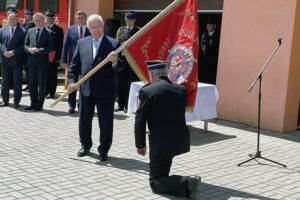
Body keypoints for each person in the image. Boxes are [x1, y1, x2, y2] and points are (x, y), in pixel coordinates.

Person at [134, 61, 201, 199]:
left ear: (152, 74)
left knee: (156, 183)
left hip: (160, 143)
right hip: (178, 139)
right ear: (165, 73)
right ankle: (187, 187)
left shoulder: (147, 91)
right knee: (162, 174)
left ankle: (189, 181)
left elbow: (140, 120)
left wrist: (140, 145)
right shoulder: (181, 90)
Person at [67, 14, 122, 161]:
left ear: (103, 27)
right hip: (86, 89)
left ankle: (104, 149)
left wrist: (115, 61)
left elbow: (122, 68)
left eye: (98, 27)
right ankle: (85, 145)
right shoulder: (82, 43)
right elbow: (74, 66)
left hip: (106, 90)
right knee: (84, 120)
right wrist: (71, 81)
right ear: (88, 28)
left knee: (105, 122)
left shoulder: (114, 44)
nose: (95, 30)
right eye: (92, 27)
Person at [24, 13, 54, 111]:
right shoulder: (30, 31)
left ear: (43, 20)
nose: (38, 22)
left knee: (41, 84)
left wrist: (39, 50)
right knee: (32, 84)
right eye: (36, 21)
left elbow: (51, 47)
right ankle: (33, 103)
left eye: (40, 20)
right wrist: (29, 49)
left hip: (42, 63)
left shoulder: (49, 32)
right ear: (33, 21)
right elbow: (25, 44)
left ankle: (39, 105)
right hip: (31, 62)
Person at [62, 11, 91, 113]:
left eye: (82, 18)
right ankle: (71, 105)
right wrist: (64, 60)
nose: (80, 20)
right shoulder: (71, 30)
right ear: (76, 19)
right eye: (78, 18)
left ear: (85, 18)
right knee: (72, 82)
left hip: (86, 61)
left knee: (84, 83)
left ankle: (81, 105)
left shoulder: (90, 29)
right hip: (73, 61)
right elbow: (66, 46)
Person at [115, 11, 140, 113]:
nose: (128, 22)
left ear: (134, 20)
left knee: (129, 84)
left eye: (130, 20)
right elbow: (117, 44)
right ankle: (120, 104)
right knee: (119, 83)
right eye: (126, 20)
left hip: (132, 63)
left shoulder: (138, 31)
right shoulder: (120, 30)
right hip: (121, 61)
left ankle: (127, 105)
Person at [0, 13, 26, 108]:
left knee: (17, 82)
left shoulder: (23, 31)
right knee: (4, 82)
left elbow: (24, 45)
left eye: (13, 19)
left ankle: (16, 102)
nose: (11, 21)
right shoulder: (2, 30)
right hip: (5, 60)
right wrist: (4, 51)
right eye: (10, 19)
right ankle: (5, 101)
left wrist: (13, 52)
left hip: (17, 61)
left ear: (17, 20)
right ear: (7, 19)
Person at [45, 10, 64, 99]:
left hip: (53, 56)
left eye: (50, 18)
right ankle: (45, 91)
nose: (48, 20)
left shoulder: (58, 30)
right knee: (45, 74)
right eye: (47, 18)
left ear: (53, 19)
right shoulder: (44, 28)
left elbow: (60, 45)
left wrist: (58, 57)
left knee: (52, 75)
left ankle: (52, 92)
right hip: (45, 56)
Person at [199, 17, 220, 84]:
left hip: (213, 62)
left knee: (211, 80)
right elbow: (201, 48)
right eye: (207, 25)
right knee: (202, 80)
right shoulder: (204, 35)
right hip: (204, 62)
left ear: (214, 26)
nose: (208, 26)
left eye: (210, 25)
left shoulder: (218, 36)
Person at [21, 9, 35, 92]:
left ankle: (31, 85)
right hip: (24, 50)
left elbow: (24, 31)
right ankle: (29, 84)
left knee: (30, 70)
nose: (25, 16)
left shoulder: (32, 25)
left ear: (31, 16)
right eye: (25, 14)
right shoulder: (26, 24)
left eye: (27, 14)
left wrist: (22, 25)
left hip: (29, 51)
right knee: (26, 69)